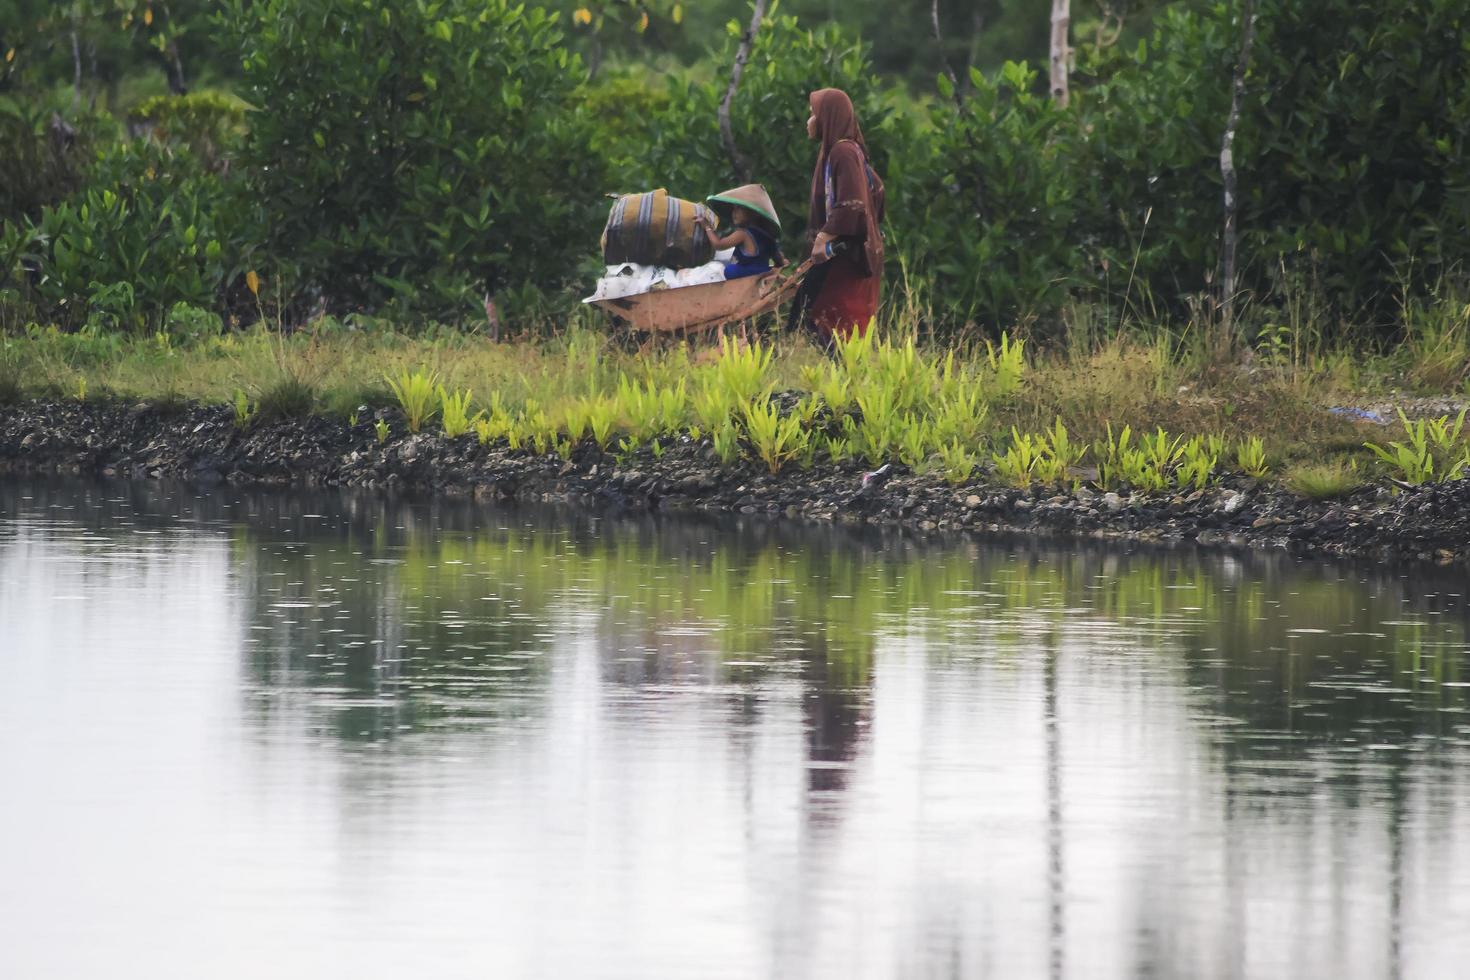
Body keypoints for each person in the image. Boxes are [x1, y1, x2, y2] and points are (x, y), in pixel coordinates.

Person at [788, 87, 886, 345]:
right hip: (847, 253)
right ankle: (846, 376)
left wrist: (825, 236)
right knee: (817, 317)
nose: (809, 121)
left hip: (844, 257)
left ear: (827, 117)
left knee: (824, 320)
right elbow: (877, 191)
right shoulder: (845, 151)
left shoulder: (842, 152)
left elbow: (852, 203)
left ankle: (847, 377)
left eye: (813, 114)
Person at [696, 183, 785, 280]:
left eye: (739, 209)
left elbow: (718, 245)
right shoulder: (767, 236)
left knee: (724, 269)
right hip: (762, 272)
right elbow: (778, 260)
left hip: (747, 274)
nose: (734, 213)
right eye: (734, 209)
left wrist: (707, 226)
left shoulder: (743, 233)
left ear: (751, 212)